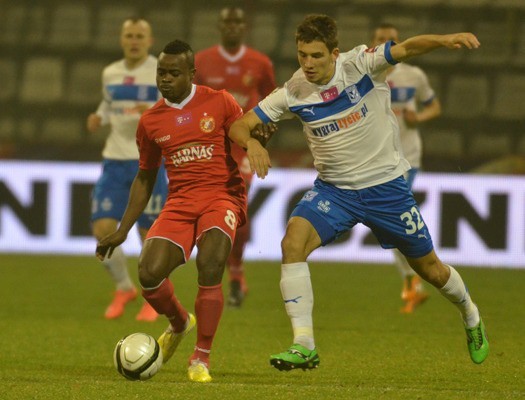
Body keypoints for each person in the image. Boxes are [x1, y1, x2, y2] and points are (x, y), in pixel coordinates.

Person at [229, 14, 489, 371]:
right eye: (302, 55)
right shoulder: (293, 92)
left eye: (317, 56)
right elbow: (240, 125)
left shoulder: (362, 65)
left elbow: (409, 47)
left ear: (335, 53)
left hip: (386, 189)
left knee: (431, 270)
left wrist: (446, 38)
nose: (308, 64)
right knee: (292, 244)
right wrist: (251, 146)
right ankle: (304, 344)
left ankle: (470, 315)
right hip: (335, 192)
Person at [96, 40, 274, 383]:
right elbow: (145, 177)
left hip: (221, 195)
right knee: (148, 273)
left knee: (210, 264)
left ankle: (200, 358)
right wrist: (122, 230)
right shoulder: (150, 121)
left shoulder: (219, 101)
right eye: (161, 72)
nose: (165, 79)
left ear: (192, 74)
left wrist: (257, 140)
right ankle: (180, 323)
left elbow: (242, 132)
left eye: (174, 73)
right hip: (180, 201)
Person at [194, 7, 277, 307]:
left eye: (238, 22)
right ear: (219, 25)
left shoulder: (260, 63)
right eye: (227, 21)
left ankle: (237, 272)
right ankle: (221, 273)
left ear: (245, 26)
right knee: (210, 210)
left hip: (242, 145)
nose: (232, 26)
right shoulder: (201, 62)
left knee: (236, 206)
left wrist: (264, 137)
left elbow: (273, 103)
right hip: (209, 146)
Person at [87, 18, 167, 322]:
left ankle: (153, 296)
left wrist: (153, 113)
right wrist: (98, 117)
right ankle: (124, 287)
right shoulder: (111, 72)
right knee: (103, 228)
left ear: (149, 40)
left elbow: (173, 109)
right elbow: (108, 105)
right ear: (122, 40)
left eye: (139, 36)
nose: (134, 41)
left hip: (148, 162)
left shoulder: (160, 71)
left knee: (150, 234)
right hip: (115, 160)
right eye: (129, 36)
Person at [371, 23, 442, 313]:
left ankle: (414, 281)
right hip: (376, 159)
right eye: (380, 39)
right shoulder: (364, 73)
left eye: (392, 40)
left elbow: (434, 106)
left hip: (407, 157)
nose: (386, 44)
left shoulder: (414, 75)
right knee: (388, 223)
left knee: (391, 218)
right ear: (372, 42)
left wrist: (419, 118)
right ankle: (413, 280)